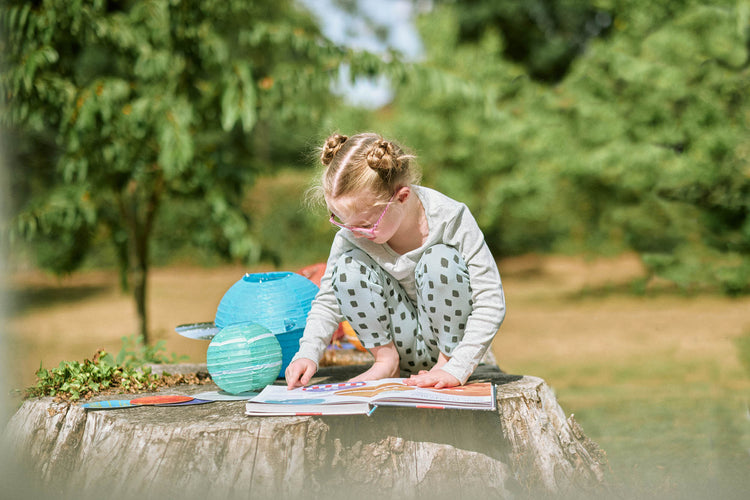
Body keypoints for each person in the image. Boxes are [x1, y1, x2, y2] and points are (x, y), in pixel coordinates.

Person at [285, 132, 506, 389]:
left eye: (366, 225)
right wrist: (307, 353)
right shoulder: (352, 234)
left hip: (452, 351)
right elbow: (328, 299)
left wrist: (458, 367)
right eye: (342, 221)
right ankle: (385, 362)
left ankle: (443, 364)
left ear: (402, 196)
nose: (355, 233)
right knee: (347, 268)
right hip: (400, 345)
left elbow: (490, 298)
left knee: (439, 260)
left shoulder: (451, 218)